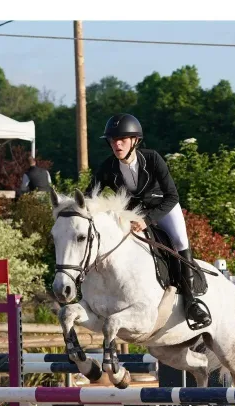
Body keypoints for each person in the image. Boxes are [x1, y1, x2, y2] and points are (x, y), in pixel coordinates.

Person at [89, 113, 211, 328]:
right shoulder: (107, 167)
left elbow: (172, 196)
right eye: (113, 140)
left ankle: (191, 301)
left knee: (180, 241)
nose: (117, 144)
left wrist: (148, 219)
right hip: (132, 214)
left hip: (163, 208)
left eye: (122, 140)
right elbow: (90, 195)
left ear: (135, 141)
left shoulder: (153, 159)